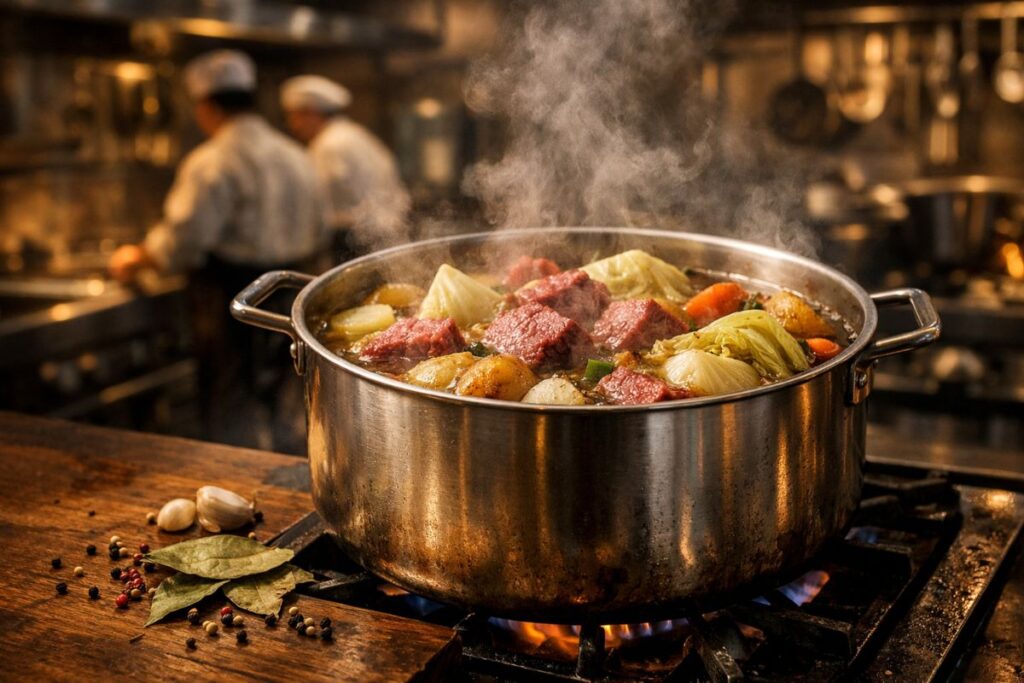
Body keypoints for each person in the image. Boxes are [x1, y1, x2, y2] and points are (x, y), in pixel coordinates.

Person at [109, 50, 322, 451]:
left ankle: (234, 478)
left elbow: (184, 239)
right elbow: (320, 224)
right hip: (291, 289)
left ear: (206, 106)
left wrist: (137, 257)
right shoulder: (296, 155)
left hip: (232, 294)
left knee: (230, 397)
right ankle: (288, 471)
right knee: (287, 390)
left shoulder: (211, 160)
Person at [280, 75, 410, 260]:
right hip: (387, 232)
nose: (292, 125)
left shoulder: (327, 145)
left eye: (294, 116)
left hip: (355, 240)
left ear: (310, 113)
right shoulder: (356, 134)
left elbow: (320, 206)